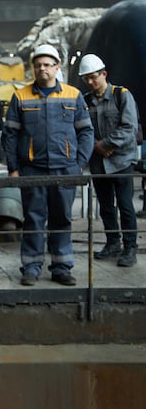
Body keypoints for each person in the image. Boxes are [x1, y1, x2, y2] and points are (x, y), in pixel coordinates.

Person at [3, 44, 94, 286]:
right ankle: (31, 267)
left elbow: (86, 132)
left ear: (56, 67)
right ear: (33, 68)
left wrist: (79, 164)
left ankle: (61, 267)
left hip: (65, 169)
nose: (42, 69)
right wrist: (13, 168)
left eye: (47, 65)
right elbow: (10, 135)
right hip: (32, 169)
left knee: (61, 217)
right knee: (33, 219)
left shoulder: (73, 95)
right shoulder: (20, 96)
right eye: (37, 65)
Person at [79, 53, 139, 267]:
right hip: (99, 162)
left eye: (93, 77)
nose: (90, 82)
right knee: (105, 205)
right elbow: (82, 128)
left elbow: (129, 128)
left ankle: (130, 247)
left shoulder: (121, 95)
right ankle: (113, 243)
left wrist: (106, 145)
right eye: (86, 78)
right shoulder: (84, 101)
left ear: (104, 74)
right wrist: (96, 146)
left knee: (125, 205)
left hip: (122, 160)